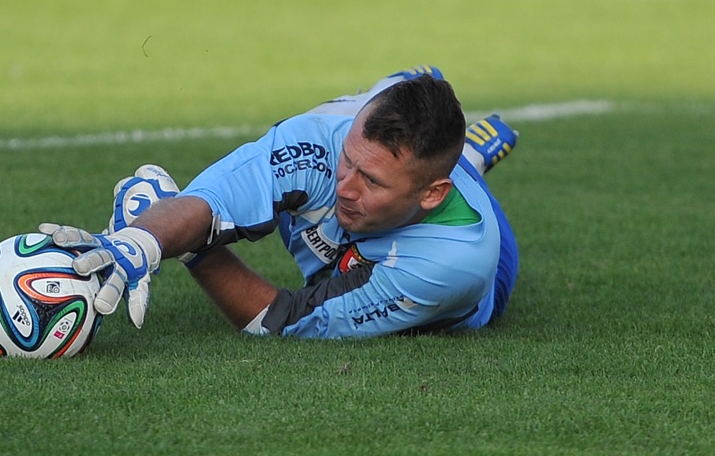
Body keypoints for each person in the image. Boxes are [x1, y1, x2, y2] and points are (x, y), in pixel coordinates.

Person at [40, 65, 519, 338]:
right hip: (372, 158)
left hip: (471, 272)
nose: (346, 187)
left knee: (337, 270)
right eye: (347, 161)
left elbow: (283, 319)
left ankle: (468, 160)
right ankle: (400, 84)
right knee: (327, 146)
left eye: (370, 180)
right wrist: (140, 240)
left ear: (432, 193)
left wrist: (190, 249)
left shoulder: (453, 262)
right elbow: (210, 202)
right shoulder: (316, 141)